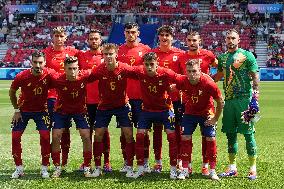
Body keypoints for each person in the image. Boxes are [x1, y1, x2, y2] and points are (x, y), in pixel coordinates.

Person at [215, 29, 259, 180]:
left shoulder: (247, 55)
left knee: (248, 134)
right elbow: (219, 76)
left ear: (238, 40)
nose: (230, 40)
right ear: (225, 40)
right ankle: (232, 167)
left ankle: (253, 168)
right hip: (229, 101)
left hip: (244, 101)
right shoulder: (222, 58)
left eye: (233, 38)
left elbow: (255, 76)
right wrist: (204, 80)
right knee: (230, 135)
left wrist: (255, 97)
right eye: (228, 38)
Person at [172, 59, 223, 180]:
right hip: (190, 113)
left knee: (210, 138)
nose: (191, 74)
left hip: (206, 113)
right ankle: (185, 169)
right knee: (185, 137)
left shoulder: (209, 83)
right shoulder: (182, 80)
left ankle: (212, 170)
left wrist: (215, 118)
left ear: (200, 71)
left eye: (194, 71)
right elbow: (171, 89)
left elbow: (220, 101)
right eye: (189, 71)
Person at [131, 52, 179, 179]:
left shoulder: (166, 72)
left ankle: (174, 169)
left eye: (152, 64)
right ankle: (141, 168)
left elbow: (182, 79)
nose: (149, 67)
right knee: (140, 135)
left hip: (165, 110)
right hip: (147, 110)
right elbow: (124, 69)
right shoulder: (140, 72)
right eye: (146, 64)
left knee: (172, 137)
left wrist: (176, 86)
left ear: (157, 63)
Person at [91, 43, 136, 178]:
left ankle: (129, 166)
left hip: (122, 105)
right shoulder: (98, 69)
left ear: (116, 54)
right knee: (98, 134)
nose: (108, 56)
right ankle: (98, 167)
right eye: (106, 54)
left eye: (111, 54)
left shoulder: (124, 68)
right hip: (104, 106)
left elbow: (140, 73)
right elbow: (84, 79)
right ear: (102, 55)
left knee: (128, 134)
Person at [178, 31, 218, 176]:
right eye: (189, 40)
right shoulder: (182, 57)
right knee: (186, 136)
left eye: (194, 40)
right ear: (186, 41)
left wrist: (212, 80)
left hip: (206, 103)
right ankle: (186, 167)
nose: (192, 43)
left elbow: (218, 67)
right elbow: (178, 77)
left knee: (207, 136)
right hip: (189, 103)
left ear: (199, 41)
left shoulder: (208, 55)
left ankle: (205, 165)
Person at [9, 51, 53, 179]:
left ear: (45, 62)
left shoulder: (49, 74)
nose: (38, 65)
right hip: (23, 111)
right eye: (35, 62)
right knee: (15, 137)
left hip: (41, 111)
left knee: (45, 137)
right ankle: (19, 168)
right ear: (31, 62)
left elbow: (61, 85)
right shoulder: (22, 76)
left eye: (40, 62)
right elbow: (12, 93)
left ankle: (44, 168)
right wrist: (16, 110)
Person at [50, 56, 94, 178]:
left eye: (75, 68)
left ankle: (87, 167)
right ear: (64, 69)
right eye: (70, 69)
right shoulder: (57, 79)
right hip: (61, 111)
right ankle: (57, 167)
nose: (73, 71)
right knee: (55, 136)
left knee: (86, 136)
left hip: (80, 111)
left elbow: (98, 72)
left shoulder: (85, 75)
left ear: (78, 68)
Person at [43, 26, 80, 170]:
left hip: (71, 97)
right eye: (56, 36)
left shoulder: (73, 52)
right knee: (52, 131)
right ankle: (50, 162)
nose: (58, 39)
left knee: (66, 130)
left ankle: (64, 161)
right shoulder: (46, 53)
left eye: (61, 36)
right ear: (52, 37)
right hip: (51, 97)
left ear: (66, 37)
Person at [117, 22, 151, 172]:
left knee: (142, 131)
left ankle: (145, 161)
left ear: (138, 33)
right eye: (128, 32)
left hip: (141, 97)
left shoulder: (146, 50)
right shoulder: (118, 50)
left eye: (133, 32)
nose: (130, 34)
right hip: (122, 97)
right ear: (124, 33)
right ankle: (127, 161)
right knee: (125, 132)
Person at [78, 29, 112, 173]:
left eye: (96, 38)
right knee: (88, 132)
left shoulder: (106, 56)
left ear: (100, 40)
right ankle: (87, 161)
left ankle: (107, 161)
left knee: (103, 132)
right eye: (91, 38)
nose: (94, 41)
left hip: (102, 101)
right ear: (88, 41)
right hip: (86, 101)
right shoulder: (81, 56)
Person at [151, 25, 184, 172]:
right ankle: (158, 161)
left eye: (167, 35)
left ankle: (178, 159)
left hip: (176, 99)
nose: (164, 38)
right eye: (162, 35)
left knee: (177, 130)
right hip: (156, 99)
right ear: (158, 37)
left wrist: (176, 87)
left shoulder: (180, 54)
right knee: (157, 130)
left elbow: (184, 77)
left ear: (172, 37)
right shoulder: (152, 54)